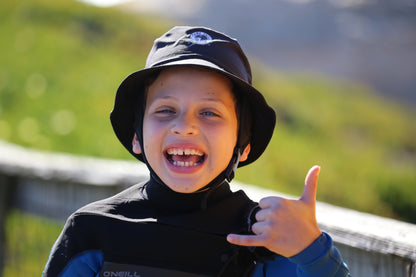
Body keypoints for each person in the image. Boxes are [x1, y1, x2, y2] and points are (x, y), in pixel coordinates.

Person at [43, 26, 350, 277]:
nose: (184, 126)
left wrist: (312, 251)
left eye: (209, 113)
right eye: (165, 110)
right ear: (136, 136)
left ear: (243, 145)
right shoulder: (92, 231)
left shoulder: (267, 241)